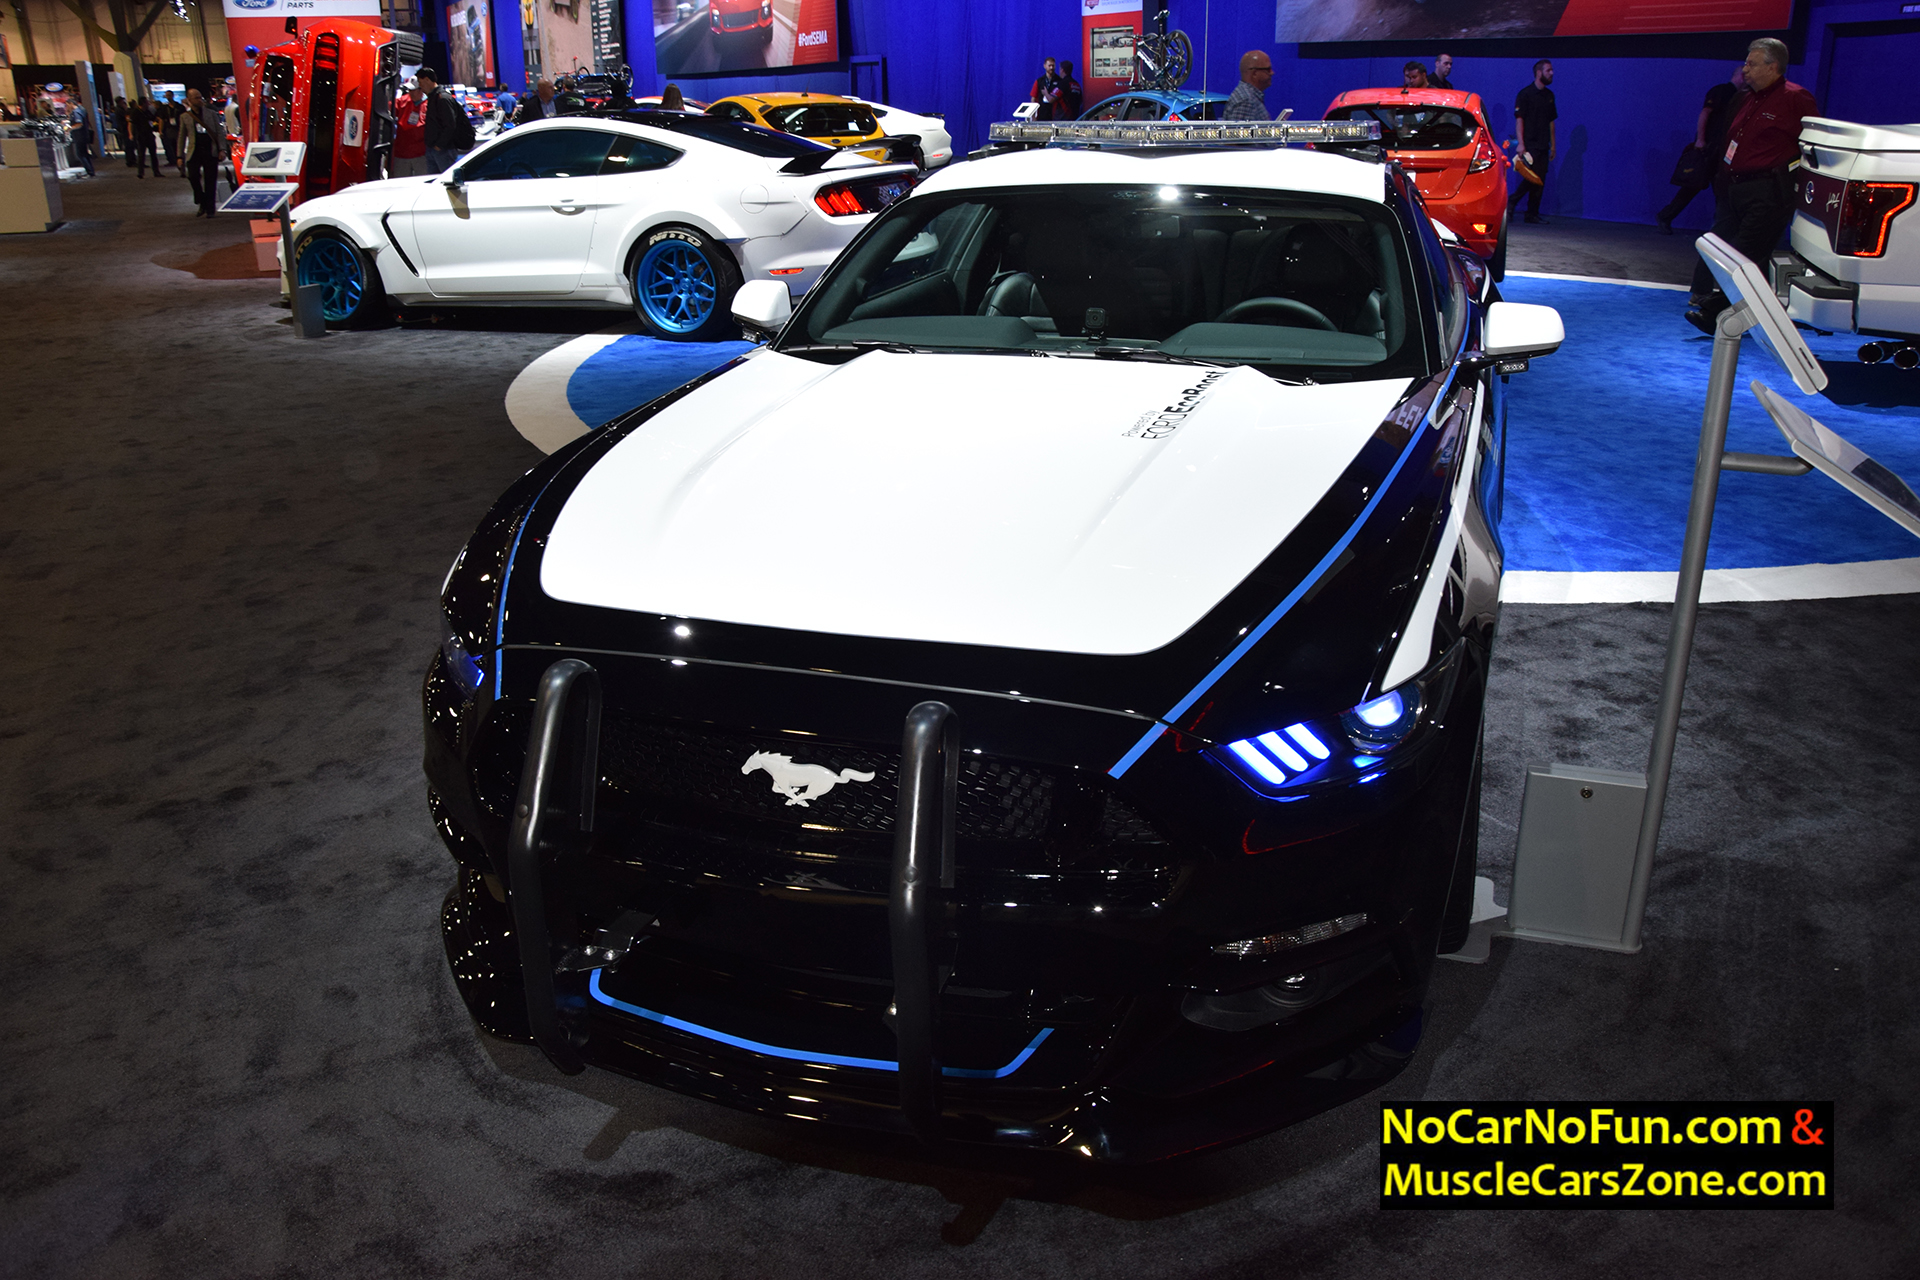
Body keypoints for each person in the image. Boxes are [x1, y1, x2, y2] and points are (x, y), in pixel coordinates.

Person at [1685, 39, 1819, 333]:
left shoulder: (1796, 98)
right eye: (1746, 63)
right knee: (1720, 248)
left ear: (1773, 67)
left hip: (1768, 191)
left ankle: (1717, 313)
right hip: (1733, 189)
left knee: (1746, 254)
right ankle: (1732, 308)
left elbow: (1812, 145)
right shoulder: (1744, 98)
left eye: (1752, 64)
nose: (1745, 69)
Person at [1657, 65, 1745, 234]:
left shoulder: (1739, 96)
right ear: (1741, 76)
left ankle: (1720, 228)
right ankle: (1667, 216)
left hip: (1723, 149)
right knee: (1697, 186)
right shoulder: (1722, 91)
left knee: (1716, 189)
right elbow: (1705, 113)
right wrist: (1701, 139)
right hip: (1711, 148)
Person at [1510, 59, 1556, 224]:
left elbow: (1551, 122)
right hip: (1530, 142)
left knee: (1540, 178)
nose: (1551, 73)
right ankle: (1512, 201)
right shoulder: (1525, 94)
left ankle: (1532, 213)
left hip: (1544, 143)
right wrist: (1521, 143)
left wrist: (1553, 145)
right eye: (1548, 70)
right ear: (1539, 72)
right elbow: (1519, 120)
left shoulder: (1549, 96)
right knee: (1532, 176)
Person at [178, 88, 227, 216]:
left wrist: (222, 149)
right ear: (189, 100)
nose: (200, 100)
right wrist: (179, 156)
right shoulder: (185, 117)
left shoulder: (211, 114)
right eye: (196, 98)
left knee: (210, 180)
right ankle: (201, 200)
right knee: (192, 176)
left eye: (200, 97)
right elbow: (181, 137)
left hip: (210, 150)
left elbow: (220, 132)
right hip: (194, 151)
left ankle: (210, 209)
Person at [418, 69, 465, 172]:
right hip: (434, 148)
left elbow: (450, 124)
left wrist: (439, 145)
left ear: (427, 80)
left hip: (444, 149)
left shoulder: (442, 98)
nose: (420, 86)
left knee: (446, 179)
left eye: (421, 82)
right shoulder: (433, 97)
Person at [391, 81, 430, 176]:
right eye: (409, 90)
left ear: (421, 90)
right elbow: (389, 107)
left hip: (421, 154)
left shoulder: (428, 104)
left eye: (413, 90)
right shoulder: (403, 101)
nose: (410, 93)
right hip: (402, 153)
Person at [1224, 50, 1274, 122]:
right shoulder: (1245, 101)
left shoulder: (1249, 97)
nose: (1272, 73)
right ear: (1254, 73)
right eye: (1268, 70)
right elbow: (1239, 129)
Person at [128, 98, 162, 178]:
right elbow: (130, 123)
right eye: (147, 102)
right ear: (143, 103)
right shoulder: (135, 112)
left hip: (149, 134)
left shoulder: (147, 111)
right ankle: (140, 172)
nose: (148, 104)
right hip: (140, 135)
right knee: (141, 155)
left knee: (153, 154)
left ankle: (156, 171)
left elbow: (153, 119)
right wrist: (131, 134)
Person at [158, 91, 181, 171]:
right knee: (170, 145)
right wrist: (160, 131)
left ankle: (179, 159)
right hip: (169, 128)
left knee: (179, 145)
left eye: (169, 95)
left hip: (178, 128)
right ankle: (172, 160)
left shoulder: (179, 107)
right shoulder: (164, 108)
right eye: (167, 95)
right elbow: (161, 120)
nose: (168, 97)